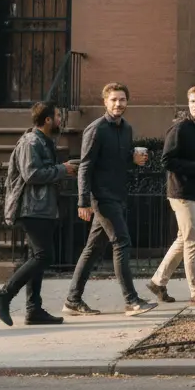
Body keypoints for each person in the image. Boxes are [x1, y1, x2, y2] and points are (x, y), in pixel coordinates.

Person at [63, 82, 158, 317]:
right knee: (122, 242)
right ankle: (132, 301)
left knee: (93, 249)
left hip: (118, 195)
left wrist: (133, 159)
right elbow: (85, 166)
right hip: (101, 197)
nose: (118, 103)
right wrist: (83, 201)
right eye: (114, 99)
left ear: (127, 102)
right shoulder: (96, 129)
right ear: (105, 102)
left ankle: (72, 300)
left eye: (122, 99)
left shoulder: (126, 129)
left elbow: (118, 161)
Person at [0, 100, 75, 327]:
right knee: (44, 256)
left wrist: (62, 170)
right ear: (47, 120)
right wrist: (62, 170)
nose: (59, 120)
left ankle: (33, 309)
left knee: (37, 256)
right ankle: (3, 295)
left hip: (43, 208)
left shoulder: (45, 141)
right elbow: (31, 174)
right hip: (31, 209)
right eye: (57, 116)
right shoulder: (31, 142)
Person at [146, 85, 195, 307]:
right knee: (194, 240)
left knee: (184, 239)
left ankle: (157, 282)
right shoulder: (179, 129)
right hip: (181, 192)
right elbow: (167, 161)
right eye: (191, 101)